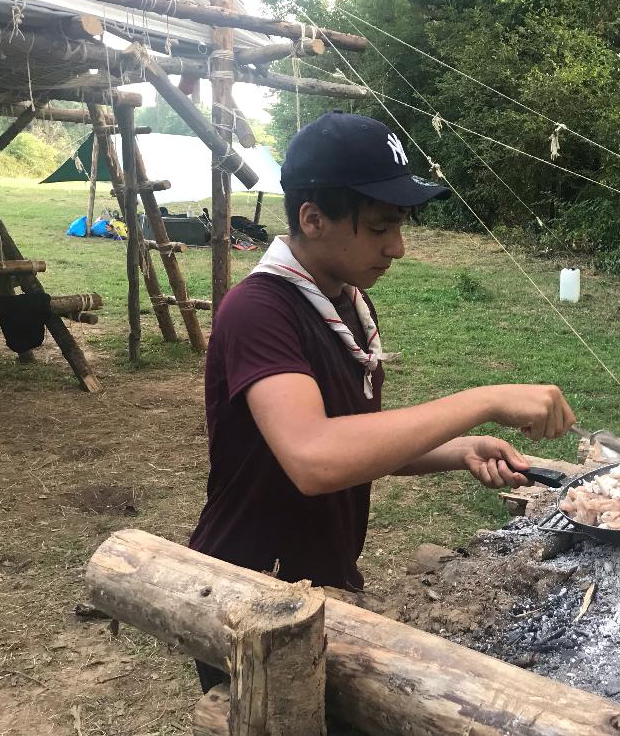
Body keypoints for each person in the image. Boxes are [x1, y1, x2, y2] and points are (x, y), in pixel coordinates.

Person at [189, 112, 576, 691]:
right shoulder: (258, 311)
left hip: (320, 581)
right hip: (252, 595)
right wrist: (484, 399)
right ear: (312, 219)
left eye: (398, 226)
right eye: (378, 228)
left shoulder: (345, 301)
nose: (397, 247)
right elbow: (315, 457)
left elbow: (356, 439)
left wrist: (460, 449)